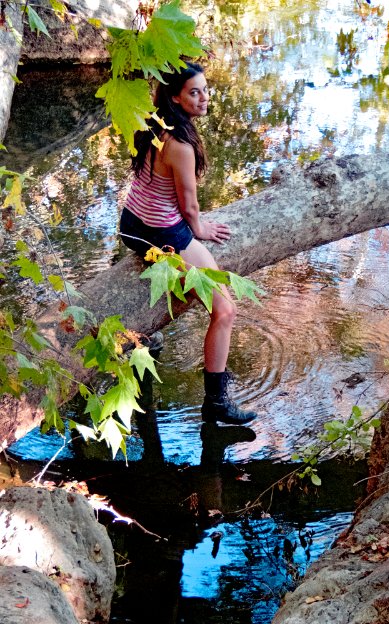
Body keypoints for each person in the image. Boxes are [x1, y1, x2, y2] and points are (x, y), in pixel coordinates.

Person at [119, 61, 256, 425]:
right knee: (225, 311)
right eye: (194, 93)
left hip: (131, 225)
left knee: (205, 295)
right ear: (176, 98)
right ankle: (216, 403)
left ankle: (154, 339)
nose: (204, 98)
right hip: (160, 234)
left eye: (205, 90)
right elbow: (189, 206)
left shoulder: (153, 122)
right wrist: (200, 228)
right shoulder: (180, 144)